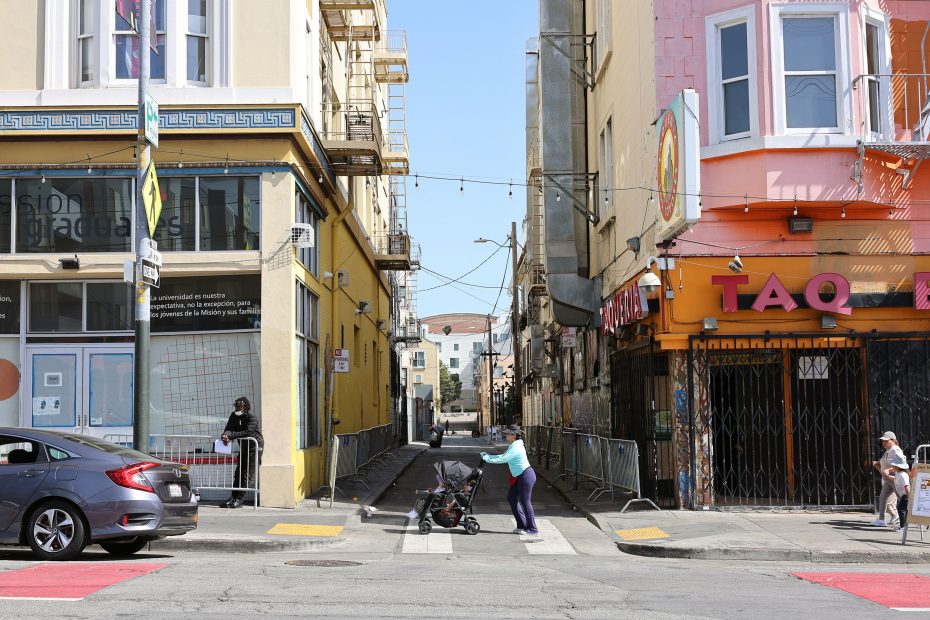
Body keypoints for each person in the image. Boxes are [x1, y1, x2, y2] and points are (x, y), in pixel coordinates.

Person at [480, 425, 539, 536]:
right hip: (520, 476)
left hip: (525, 475)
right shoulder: (514, 445)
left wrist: (487, 458)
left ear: (514, 436)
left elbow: (503, 459)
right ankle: (522, 524)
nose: (505, 435)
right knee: (511, 498)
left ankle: (532, 528)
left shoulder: (516, 447)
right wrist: (488, 456)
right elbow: (503, 455)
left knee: (526, 502)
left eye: (507, 434)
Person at [220, 396, 263, 509]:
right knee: (238, 473)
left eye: (240, 405)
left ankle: (239, 499)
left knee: (246, 473)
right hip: (243, 447)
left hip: (254, 447)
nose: (237, 407)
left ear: (245, 406)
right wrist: (225, 435)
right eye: (236, 405)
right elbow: (229, 427)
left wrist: (231, 436)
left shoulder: (251, 416)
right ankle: (233, 497)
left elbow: (248, 432)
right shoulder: (233, 415)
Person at [872, 431, 906, 526]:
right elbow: (885, 460)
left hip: (895, 479)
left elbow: (901, 464)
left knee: (903, 500)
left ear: (893, 440)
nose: (884, 443)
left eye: (886, 441)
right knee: (882, 498)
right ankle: (881, 520)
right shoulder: (889, 450)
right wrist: (879, 463)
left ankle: (909, 520)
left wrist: (889, 470)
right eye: (883, 441)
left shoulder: (895, 450)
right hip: (888, 481)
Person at [884, 457, 912, 533]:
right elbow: (894, 478)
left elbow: (907, 486)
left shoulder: (903, 474)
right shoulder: (899, 474)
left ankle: (903, 527)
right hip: (904, 495)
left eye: (894, 466)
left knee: (901, 509)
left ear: (898, 466)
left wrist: (909, 497)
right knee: (902, 509)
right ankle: (903, 526)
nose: (892, 467)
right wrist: (887, 476)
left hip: (906, 495)